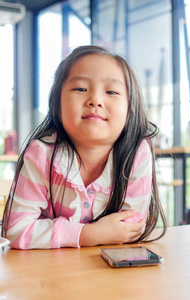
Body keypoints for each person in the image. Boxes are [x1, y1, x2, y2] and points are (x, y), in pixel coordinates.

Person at [1, 45, 167, 249]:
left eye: (112, 92)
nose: (95, 100)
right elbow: (16, 230)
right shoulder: (41, 154)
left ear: (130, 109)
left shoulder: (136, 154)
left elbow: (131, 226)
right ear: (56, 102)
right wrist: (90, 234)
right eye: (80, 88)